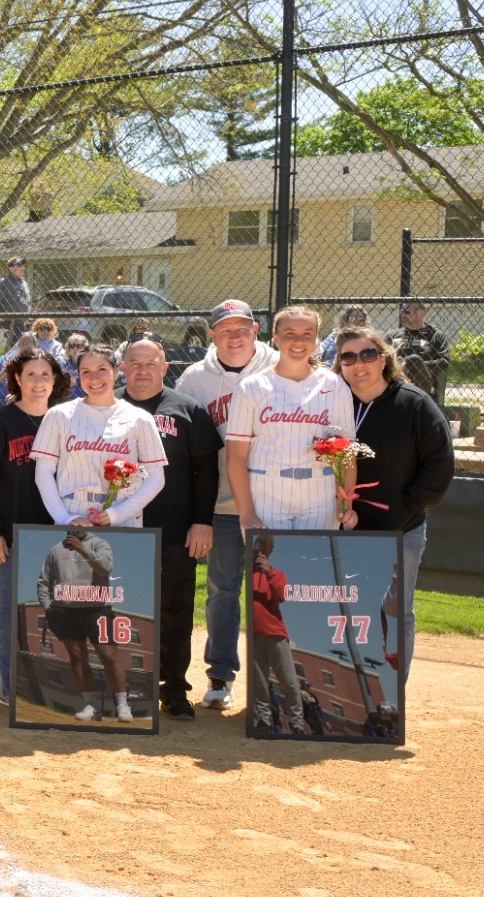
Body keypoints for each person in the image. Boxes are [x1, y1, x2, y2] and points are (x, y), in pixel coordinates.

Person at [174, 298, 278, 710]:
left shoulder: (279, 368)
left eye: (242, 329)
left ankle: (275, 678)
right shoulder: (196, 379)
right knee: (222, 589)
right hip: (221, 502)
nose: (234, 337)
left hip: (275, 501)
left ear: (255, 331)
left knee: (273, 591)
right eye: (225, 330)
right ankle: (220, 674)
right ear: (211, 335)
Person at [335, 325, 453, 681]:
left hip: (400, 529)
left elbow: (439, 466)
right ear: (338, 363)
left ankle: (392, 691)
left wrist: (405, 509)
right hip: (342, 528)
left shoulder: (414, 404)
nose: (360, 364)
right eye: (349, 357)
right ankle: (348, 685)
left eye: (368, 354)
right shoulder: (332, 402)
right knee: (346, 609)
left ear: (384, 359)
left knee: (394, 609)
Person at [116, 337, 222, 719]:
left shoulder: (186, 409)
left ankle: (173, 687)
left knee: (175, 610)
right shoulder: (103, 408)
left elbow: (207, 472)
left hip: (175, 529)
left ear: (165, 367)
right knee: (119, 608)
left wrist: (202, 523)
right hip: (118, 528)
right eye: (135, 362)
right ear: (122, 366)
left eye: (151, 363)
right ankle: (122, 684)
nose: (142, 370)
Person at [0, 347, 68, 704]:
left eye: (45, 375)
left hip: (57, 537)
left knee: (54, 608)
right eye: (30, 375)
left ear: (55, 380)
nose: (38, 382)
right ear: (17, 380)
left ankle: (50, 680)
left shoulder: (66, 420)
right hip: (10, 537)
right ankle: (10, 686)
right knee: (12, 607)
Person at [228, 305, 356, 531]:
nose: (298, 341)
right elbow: (236, 456)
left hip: (320, 491)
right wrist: (246, 511)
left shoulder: (334, 385)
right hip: (266, 488)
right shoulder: (251, 387)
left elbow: (347, 454)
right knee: (266, 564)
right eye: (289, 334)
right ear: (275, 338)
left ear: (316, 340)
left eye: (307, 334)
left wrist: (345, 502)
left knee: (315, 564)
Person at [31, 344, 168, 529]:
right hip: (73, 510)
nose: (94, 378)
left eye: (102, 369)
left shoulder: (139, 418)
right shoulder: (59, 415)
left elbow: (156, 477)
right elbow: (43, 472)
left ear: (117, 370)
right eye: (85, 371)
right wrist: (65, 518)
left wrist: (119, 513)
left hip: (123, 512)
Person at [37, 527, 133, 722]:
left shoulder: (99, 544)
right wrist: (50, 609)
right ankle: (92, 705)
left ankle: (122, 704)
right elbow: (44, 581)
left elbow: (105, 567)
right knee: (77, 657)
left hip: (98, 608)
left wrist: (82, 549)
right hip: (66, 611)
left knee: (109, 656)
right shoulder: (56, 550)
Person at [248, 532, 304, 733]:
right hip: (254, 635)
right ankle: (263, 720)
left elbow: (282, 595)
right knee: (260, 683)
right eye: (258, 545)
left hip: (276, 634)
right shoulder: (247, 572)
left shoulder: (278, 574)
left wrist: (268, 571)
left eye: (265, 546)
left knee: (288, 682)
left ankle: (297, 724)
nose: (260, 550)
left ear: (270, 551)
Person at [389, 299, 451, 401]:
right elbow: (382, 357)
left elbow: (444, 362)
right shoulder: (392, 335)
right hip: (397, 379)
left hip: (423, 383)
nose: (403, 314)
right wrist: (396, 363)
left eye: (407, 311)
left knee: (414, 359)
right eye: (402, 311)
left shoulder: (435, 335)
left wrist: (413, 365)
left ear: (420, 313)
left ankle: (417, 398)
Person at [0, 257, 31, 342]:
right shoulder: (3, 283)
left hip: (22, 323)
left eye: (23, 265)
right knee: (13, 350)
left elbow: (25, 302)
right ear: (11, 269)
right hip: (8, 323)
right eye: (19, 265)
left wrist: (29, 314)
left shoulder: (24, 283)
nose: (23, 268)